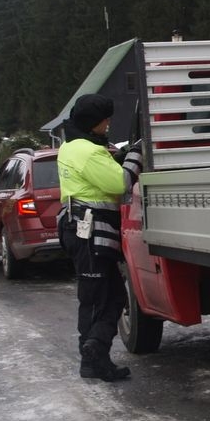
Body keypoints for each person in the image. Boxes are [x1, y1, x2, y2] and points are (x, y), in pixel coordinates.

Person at [57, 93, 143, 382]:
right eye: (105, 120)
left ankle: (92, 361)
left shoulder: (70, 146)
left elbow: (99, 170)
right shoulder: (88, 152)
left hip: (79, 229)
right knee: (102, 297)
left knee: (102, 295)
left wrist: (117, 156)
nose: (108, 124)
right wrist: (135, 156)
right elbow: (119, 182)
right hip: (91, 232)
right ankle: (94, 349)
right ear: (93, 122)